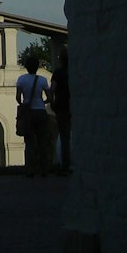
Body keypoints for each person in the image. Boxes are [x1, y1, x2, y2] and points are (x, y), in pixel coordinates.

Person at [16, 56, 51, 177]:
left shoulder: (21, 79)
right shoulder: (42, 80)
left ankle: (30, 169)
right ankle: (44, 169)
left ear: (26, 67)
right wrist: (42, 102)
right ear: (37, 67)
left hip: (28, 113)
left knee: (29, 142)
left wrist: (23, 104)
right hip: (40, 111)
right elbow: (49, 97)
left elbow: (17, 97)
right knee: (42, 142)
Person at [50, 45, 71, 174]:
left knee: (64, 137)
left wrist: (52, 102)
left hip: (61, 106)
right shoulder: (75, 71)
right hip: (74, 106)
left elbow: (52, 89)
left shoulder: (58, 73)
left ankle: (65, 165)